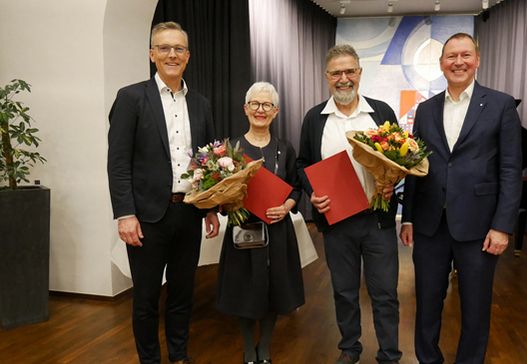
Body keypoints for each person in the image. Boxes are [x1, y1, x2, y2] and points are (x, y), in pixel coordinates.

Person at [400, 33, 522, 364]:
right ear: (441, 64)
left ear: (477, 60)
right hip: (429, 225)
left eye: (465, 55)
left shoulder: (501, 105)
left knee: (476, 307)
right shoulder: (425, 110)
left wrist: (502, 226)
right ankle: (428, 360)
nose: (458, 62)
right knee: (426, 303)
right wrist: (407, 216)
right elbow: (415, 165)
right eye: (451, 56)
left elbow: (510, 169)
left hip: (480, 226)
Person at [107, 21, 220, 364]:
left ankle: (179, 355)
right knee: (145, 299)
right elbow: (118, 162)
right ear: (152, 54)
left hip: (188, 212)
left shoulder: (201, 103)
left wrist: (211, 206)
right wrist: (125, 214)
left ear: (188, 56)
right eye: (165, 48)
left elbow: (208, 161)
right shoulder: (130, 98)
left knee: (183, 294)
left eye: (179, 49)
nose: (172, 54)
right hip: (146, 217)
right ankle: (149, 360)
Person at [297, 44, 402, 364]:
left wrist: (392, 183)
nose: (343, 79)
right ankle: (350, 348)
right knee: (343, 292)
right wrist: (312, 191)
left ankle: (389, 354)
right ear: (326, 77)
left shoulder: (381, 112)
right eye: (336, 73)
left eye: (349, 71)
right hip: (336, 220)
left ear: (359, 73)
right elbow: (303, 162)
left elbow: (400, 159)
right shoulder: (315, 118)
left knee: (384, 293)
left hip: (378, 220)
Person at [216, 82, 305, 364]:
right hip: (244, 231)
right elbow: (220, 195)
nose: (260, 110)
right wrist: (228, 202)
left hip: (278, 230)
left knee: (273, 288)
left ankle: (264, 345)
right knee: (245, 289)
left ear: (276, 111)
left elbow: (296, 187)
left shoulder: (285, 148)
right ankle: (247, 347)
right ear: (245, 109)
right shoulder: (230, 151)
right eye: (255, 104)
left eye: (267, 105)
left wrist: (287, 206)